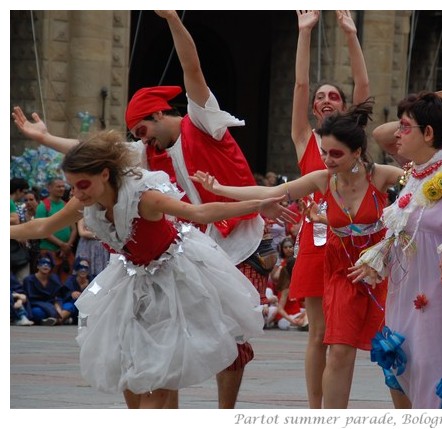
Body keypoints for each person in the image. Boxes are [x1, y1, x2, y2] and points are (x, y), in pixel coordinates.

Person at [12, 10, 272, 409]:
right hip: (178, 248)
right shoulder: (144, 157)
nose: (139, 138)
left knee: (232, 337)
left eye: (141, 129)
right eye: (134, 136)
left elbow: (192, 67)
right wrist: (45, 138)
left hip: (232, 238)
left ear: (157, 115)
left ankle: (226, 413)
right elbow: (96, 158)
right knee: (166, 348)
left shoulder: (201, 123)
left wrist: (171, 18)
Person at [9, 130, 291, 408]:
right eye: (72, 186)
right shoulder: (85, 201)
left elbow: (200, 213)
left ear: (105, 174)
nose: (77, 192)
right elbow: (42, 226)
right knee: (128, 371)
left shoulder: (144, 198)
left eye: (82, 184)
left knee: (159, 377)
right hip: (130, 278)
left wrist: (256, 206)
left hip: (175, 277)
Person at [198, 99, 404, 408]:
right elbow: (271, 193)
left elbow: (425, 186)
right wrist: (223, 189)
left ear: (357, 152)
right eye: (324, 153)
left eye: (336, 154)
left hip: (383, 271)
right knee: (338, 349)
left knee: (397, 351)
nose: (328, 160)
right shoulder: (323, 179)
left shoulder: (381, 176)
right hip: (343, 273)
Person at [351, 92, 442, 408]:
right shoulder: (417, 172)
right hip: (408, 292)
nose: (397, 134)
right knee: (410, 369)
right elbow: (408, 225)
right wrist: (380, 256)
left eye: (405, 127)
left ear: (428, 134)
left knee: (437, 374)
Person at [290, 9, 371, 408]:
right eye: (320, 98)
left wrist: (350, 34)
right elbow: (301, 83)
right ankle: (314, 409)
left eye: (333, 96)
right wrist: (305, 33)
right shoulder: (305, 137)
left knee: (341, 337)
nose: (324, 100)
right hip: (314, 239)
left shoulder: (354, 139)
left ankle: (334, 405)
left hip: (351, 242)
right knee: (317, 332)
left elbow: (363, 84)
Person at [36, 177, 77, 283]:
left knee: (67, 281)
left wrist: (67, 245)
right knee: (50, 281)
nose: (62, 189)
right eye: (58, 186)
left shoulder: (66, 205)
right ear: (49, 188)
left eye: (63, 186)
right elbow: (40, 230)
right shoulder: (43, 206)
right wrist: (61, 244)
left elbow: (73, 229)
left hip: (66, 252)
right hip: (49, 251)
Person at [22, 254, 70, 326]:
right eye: (42, 263)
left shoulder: (54, 279)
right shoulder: (29, 280)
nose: (45, 266)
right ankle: (59, 319)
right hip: (38, 305)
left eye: (48, 264)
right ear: (38, 266)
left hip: (53, 304)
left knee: (69, 306)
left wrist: (58, 307)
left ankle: (57, 319)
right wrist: (49, 307)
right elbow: (30, 299)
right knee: (36, 312)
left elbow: (58, 296)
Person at [274, 257, 309, 331]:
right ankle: (303, 324)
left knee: (311, 312)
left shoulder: (295, 285)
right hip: (286, 318)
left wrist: (303, 315)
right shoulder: (286, 288)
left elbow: (306, 305)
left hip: (297, 315)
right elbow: (279, 309)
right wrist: (292, 320)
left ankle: (304, 323)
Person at [61, 257, 94, 324]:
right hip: (73, 305)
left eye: (85, 268)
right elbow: (63, 294)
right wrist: (71, 293)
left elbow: (97, 295)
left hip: (87, 307)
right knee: (68, 306)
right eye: (80, 267)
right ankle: (58, 319)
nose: (83, 270)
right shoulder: (71, 280)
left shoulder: (92, 280)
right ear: (76, 269)